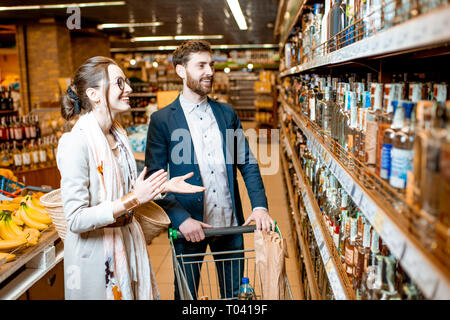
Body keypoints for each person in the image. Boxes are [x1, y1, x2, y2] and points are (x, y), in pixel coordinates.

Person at [56, 56, 205, 300]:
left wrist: (164, 186)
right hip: (96, 258)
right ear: (94, 94)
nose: (129, 89)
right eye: (119, 83)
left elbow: (127, 192)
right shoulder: (76, 142)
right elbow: (75, 219)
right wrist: (134, 199)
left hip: (127, 243)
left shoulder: (118, 135)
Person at [145, 40, 274, 299]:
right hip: (190, 228)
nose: (210, 72)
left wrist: (259, 206)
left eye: (211, 65)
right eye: (201, 65)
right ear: (181, 71)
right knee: (187, 296)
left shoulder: (226, 114)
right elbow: (154, 179)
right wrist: (181, 220)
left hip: (229, 225)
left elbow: (246, 161)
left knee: (235, 296)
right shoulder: (162, 120)